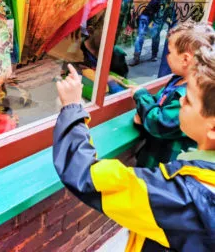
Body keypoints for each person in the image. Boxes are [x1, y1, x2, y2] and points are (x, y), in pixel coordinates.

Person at [53, 46, 215, 251]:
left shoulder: (187, 198)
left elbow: (88, 176)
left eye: (189, 100)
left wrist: (72, 109)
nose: (181, 100)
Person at [127, 21, 215, 168]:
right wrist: (146, 114)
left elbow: (160, 123)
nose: (167, 56)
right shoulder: (177, 80)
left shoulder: (190, 96)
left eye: (169, 51)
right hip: (150, 156)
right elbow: (158, 104)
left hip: (162, 169)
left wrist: (141, 96)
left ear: (185, 59)